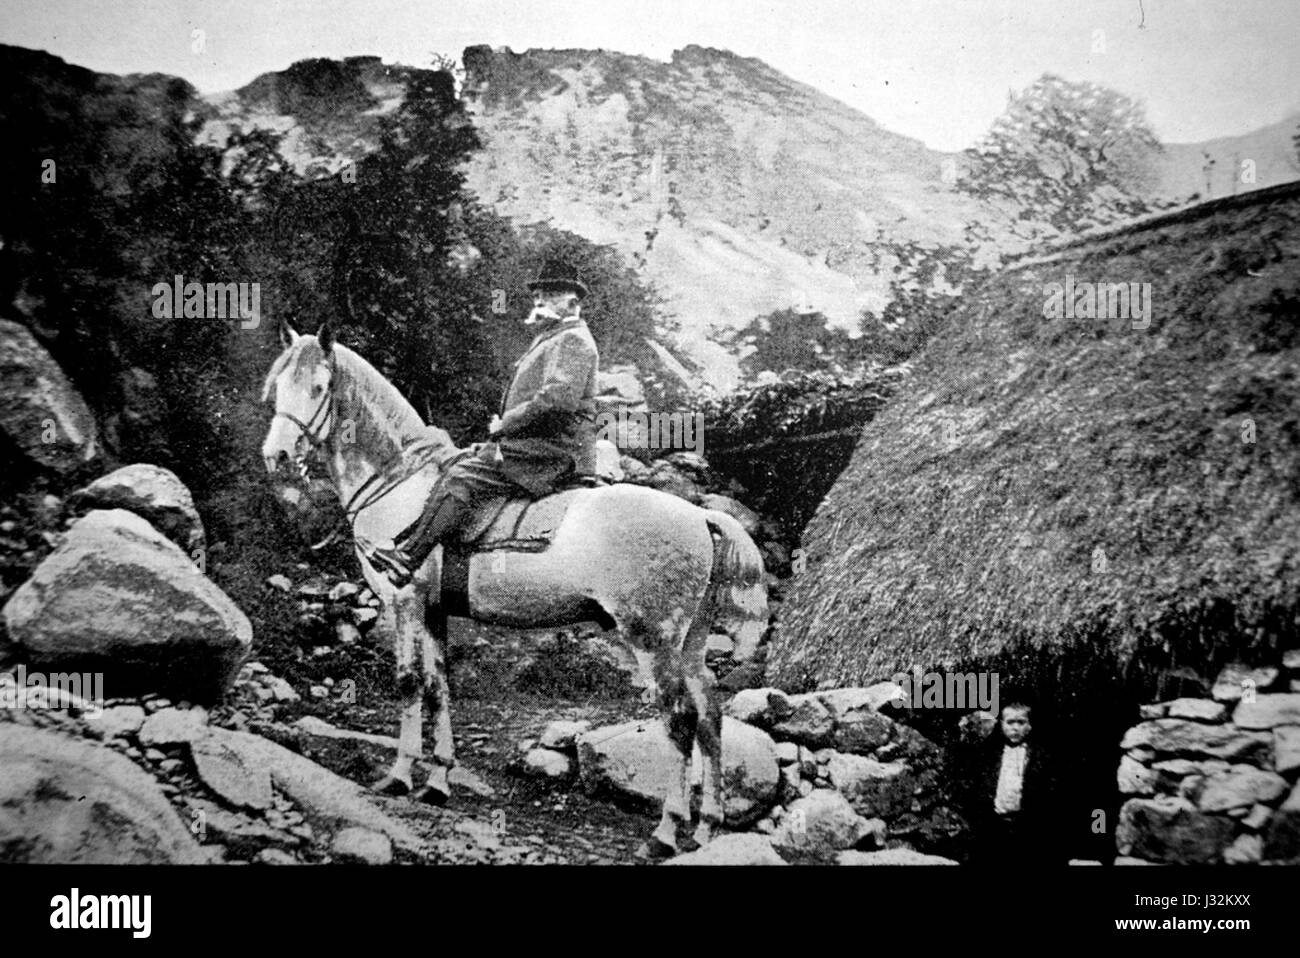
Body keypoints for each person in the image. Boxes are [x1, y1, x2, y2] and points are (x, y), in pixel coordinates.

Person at [381, 259, 600, 585]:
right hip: (536, 445)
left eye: (551, 294)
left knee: (464, 475)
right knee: (462, 460)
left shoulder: (572, 340)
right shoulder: (551, 337)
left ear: (573, 302)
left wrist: (505, 424)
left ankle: (409, 557)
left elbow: (558, 399)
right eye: (538, 294)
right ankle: (409, 544)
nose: (539, 301)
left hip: (554, 451)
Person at [958, 701, 1062, 866]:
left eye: (1021, 722)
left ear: (1030, 726)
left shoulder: (1041, 757)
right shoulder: (990, 755)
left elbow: (1048, 792)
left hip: (1027, 827)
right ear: (1001, 725)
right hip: (996, 824)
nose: (1015, 728)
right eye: (1010, 722)